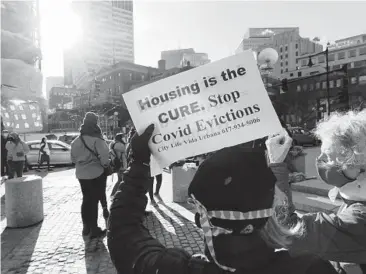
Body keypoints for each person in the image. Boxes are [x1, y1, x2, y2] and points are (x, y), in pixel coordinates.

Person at [107, 124, 337, 274]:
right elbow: (287, 222)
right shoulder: (311, 268)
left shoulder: (170, 268)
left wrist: (139, 165)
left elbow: (123, 230)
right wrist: (274, 169)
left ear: (202, 221)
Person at [269, 110, 366, 273]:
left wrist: (277, 166)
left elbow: (287, 230)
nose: (319, 160)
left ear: (357, 169)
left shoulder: (358, 219)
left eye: (327, 157)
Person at [71, 112, 110, 239]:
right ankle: (94, 229)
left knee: (86, 200)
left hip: (81, 174)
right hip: (96, 173)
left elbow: (73, 159)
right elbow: (104, 158)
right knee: (94, 201)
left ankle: (85, 227)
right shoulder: (97, 139)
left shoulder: (75, 141)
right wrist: (105, 165)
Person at [109, 133, 127, 198]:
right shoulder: (120, 145)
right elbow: (125, 153)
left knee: (120, 180)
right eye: (123, 137)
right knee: (122, 181)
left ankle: (114, 194)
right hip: (122, 165)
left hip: (118, 165)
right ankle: (115, 194)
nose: (124, 138)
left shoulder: (113, 144)